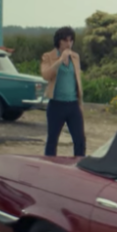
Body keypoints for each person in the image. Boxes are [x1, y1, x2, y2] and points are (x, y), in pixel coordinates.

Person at [40, 26, 86, 157]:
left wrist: (80, 103)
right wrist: (60, 60)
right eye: (65, 40)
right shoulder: (48, 56)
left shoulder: (75, 57)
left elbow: (77, 79)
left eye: (71, 40)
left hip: (73, 103)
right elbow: (46, 75)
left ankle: (78, 164)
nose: (68, 44)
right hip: (56, 104)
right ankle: (50, 165)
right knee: (52, 140)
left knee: (80, 139)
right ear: (59, 41)